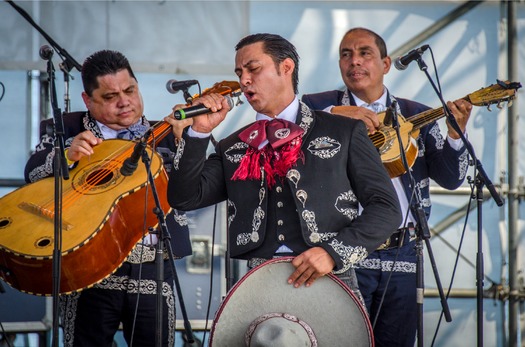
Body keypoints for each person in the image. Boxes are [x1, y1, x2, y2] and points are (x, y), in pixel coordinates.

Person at [164, 32, 402, 303]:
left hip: (330, 278)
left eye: (253, 69)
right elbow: (184, 197)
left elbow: (387, 208)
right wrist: (198, 134)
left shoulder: (343, 131)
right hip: (257, 284)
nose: (243, 80)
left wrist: (333, 253)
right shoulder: (234, 145)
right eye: (240, 72)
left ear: (286, 67)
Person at [301, 27, 472, 347]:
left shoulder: (416, 113)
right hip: (342, 246)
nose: (354, 61)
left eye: (364, 53)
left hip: (403, 249)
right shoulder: (317, 105)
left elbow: (450, 179)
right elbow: (284, 127)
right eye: (345, 54)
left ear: (386, 63)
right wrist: (336, 114)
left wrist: (455, 133)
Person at [24, 50, 192, 347]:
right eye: (110, 96)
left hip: (153, 264)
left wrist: (186, 143)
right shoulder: (65, 129)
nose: (124, 101)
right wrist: (67, 156)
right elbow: (32, 172)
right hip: (89, 264)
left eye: (130, 90)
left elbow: (192, 188)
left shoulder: (165, 133)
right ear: (88, 100)